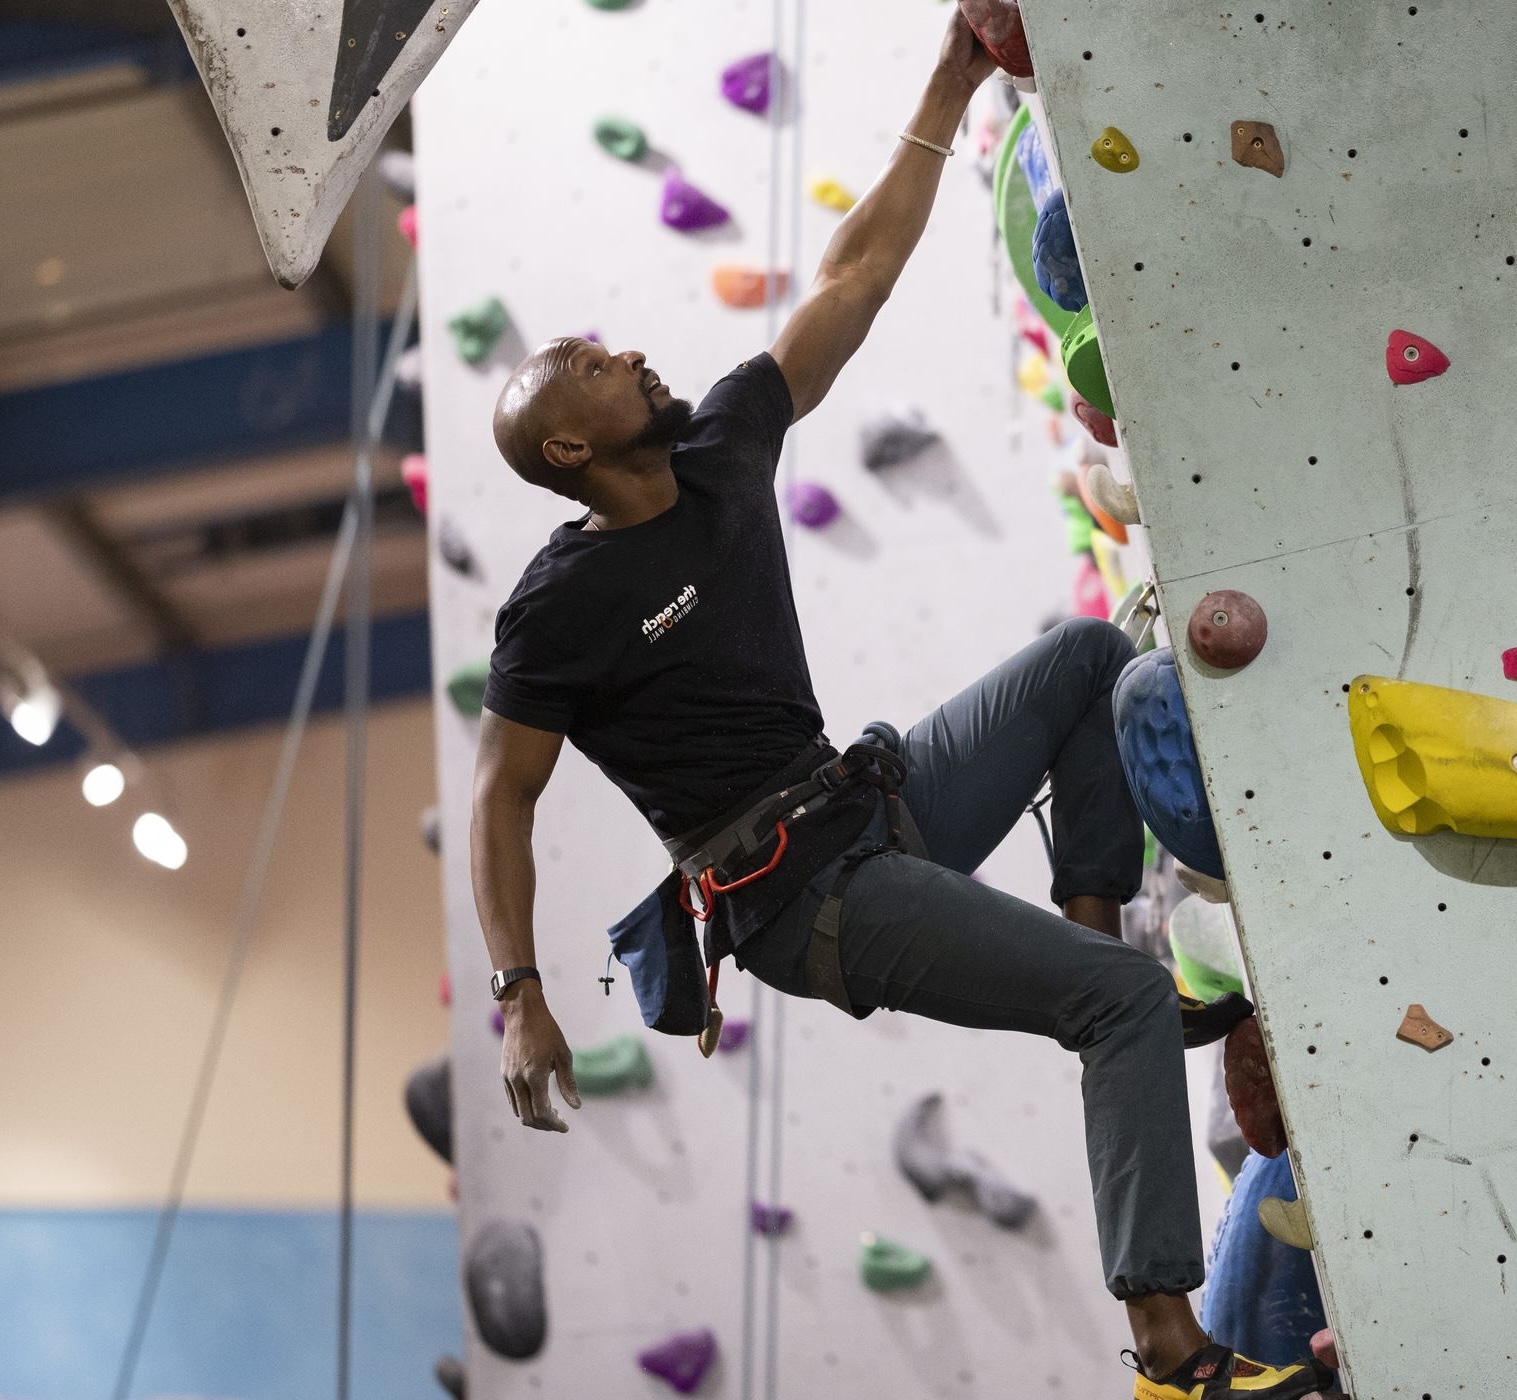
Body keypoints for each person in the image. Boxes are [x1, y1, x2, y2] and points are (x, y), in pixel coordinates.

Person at [467, 13, 1331, 1400]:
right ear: (570, 446)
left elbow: (856, 272)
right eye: (588, 361)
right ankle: (1176, 1358)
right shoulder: (554, 608)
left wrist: (954, 73)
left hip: (871, 803)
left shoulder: (716, 453)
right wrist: (516, 995)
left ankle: (1091, 918)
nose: (622, 351)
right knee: (1115, 1009)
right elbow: (503, 799)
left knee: (1083, 660)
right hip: (801, 900)